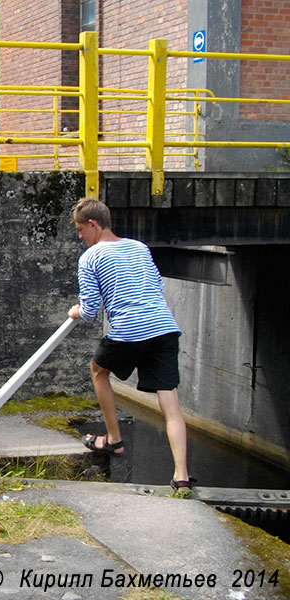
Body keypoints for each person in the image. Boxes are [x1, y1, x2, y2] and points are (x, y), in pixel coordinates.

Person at [67, 198, 193, 494]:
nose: (79, 236)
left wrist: (75, 311)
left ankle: (114, 440)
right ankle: (181, 477)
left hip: (130, 330)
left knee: (98, 370)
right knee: (170, 403)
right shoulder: (139, 247)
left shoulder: (90, 257)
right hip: (163, 327)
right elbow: (157, 286)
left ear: (93, 225)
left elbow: (88, 311)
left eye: (80, 229)